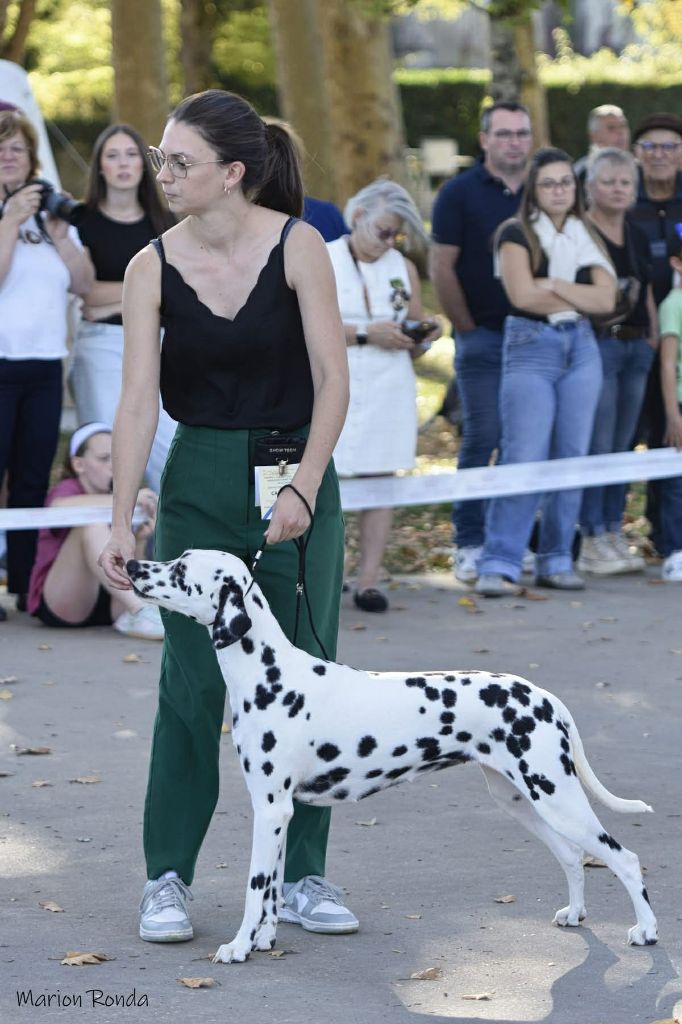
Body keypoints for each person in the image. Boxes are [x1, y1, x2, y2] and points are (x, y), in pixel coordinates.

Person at [98, 90, 355, 947]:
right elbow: (136, 404)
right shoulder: (148, 267)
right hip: (200, 476)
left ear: (232, 173)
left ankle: (302, 879)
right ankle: (165, 876)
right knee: (192, 684)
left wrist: (307, 485)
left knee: (308, 675)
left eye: (179, 161)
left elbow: (332, 378)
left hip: (297, 471)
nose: (162, 173)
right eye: (163, 159)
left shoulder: (300, 244)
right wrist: (120, 519)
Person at [474, 147, 616, 597]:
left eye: (566, 182)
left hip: (583, 348)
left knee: (571, 455)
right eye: (549, 183)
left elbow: (607, 302)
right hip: (532, 346)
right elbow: (522, 296)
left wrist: (553, 284)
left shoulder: (584, 230)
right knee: (525, 454)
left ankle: (557, 558)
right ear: (534, 191)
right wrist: (579, 296)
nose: (559, 190)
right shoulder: (515, 232)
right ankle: (499, 562)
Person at [430, 101, 533, 584]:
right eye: (505, 134)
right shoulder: (458, 193)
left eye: (522, 134)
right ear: (485, 139)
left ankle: (513, 543)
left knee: (524, 443)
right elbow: (442, 267)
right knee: (483, 438)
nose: (514, 141)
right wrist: (467, 328)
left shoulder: (544, 188)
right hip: (485, 339)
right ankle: (469, 542)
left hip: (538, 340)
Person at [328, 178, 441, 612]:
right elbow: (300, 327)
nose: (389, 241)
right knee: (327, 479)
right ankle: (328, 571)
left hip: (389, 382)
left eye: (396, 234)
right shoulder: (323, 256)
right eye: (383, 231)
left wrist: (426, 332)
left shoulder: (401, 266)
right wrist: (362, 334)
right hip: (338, 373)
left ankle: (369, 579)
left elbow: (413, 325)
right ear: (357, 217)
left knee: (380, 479)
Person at [0, 108, 94, 612]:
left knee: (33, 478)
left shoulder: (47, 213)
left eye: (17, 148)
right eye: (0, 149)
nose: (8, 157)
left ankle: (21, 583)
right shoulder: (12, 217)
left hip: (43, 367)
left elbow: (81, 285)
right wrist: (10, 221)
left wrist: (58, 234)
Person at [69, 124, 176, 493]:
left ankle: (168, 545)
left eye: (131, 154)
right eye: (112, 156)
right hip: (100, 343)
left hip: (160, 344)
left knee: (166, 449)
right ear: (99, 167)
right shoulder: (80, 221)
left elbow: (178, 289)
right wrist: (146, 291)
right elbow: (87, 291)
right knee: (109, 451)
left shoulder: (166, 222)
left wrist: (110, 301)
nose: (123, 164)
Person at [577, 148, 656, 575]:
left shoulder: (638, 231)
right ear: (589, 187)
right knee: (599, 443)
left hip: (636, 348)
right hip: (599, 346)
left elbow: (644, 290)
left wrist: (653, 337)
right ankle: (591, 535)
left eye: (625, 182)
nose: (618, 189)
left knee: (623, 446)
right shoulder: (580, 232)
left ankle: (612, 531)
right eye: (608, 181)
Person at [26, 423, 163, 637]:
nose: (113, 466)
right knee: (91, 525)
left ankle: (140, 611)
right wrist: (125, 500)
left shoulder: (119, 496)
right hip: (66, 600)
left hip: (112, 600)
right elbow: (57, 506)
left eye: (116, 458)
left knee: (129, 539)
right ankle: (142, 610)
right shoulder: (69, 488)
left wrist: (140, 537)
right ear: (79, 464)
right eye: (103, 458)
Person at [628, 112, 682, 553]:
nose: (660, 155)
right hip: (634, 339)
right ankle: (603, 531)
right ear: (636, 155)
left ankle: (668, 536)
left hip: (678, 342)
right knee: (628, 436)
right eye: (650, 147)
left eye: (669, 147)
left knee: (673, 432)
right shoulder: (623, 202)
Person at [655, 234, 682, 582]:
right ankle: (675, 549)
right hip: (681, 400)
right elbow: (666, 364)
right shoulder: (673, 304)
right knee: (677, 482)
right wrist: (673, 414)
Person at [574, 104, 630, 186]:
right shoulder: (584, 172)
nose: (620, 132)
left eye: (623, 126)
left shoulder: (638, 169)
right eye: (611, 128)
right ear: (594, 136)